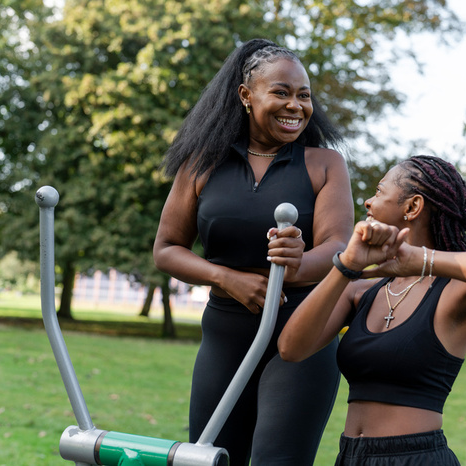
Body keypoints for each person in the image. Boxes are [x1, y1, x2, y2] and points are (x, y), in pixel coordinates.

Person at [153, 38, 354, 465]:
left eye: (304, 95)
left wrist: (297, 262)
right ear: (246, 96)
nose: (295, 105)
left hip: (301, 334)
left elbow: (339, 248)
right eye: (281, 92)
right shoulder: (201, 164)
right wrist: (226, 278)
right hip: (224, 335)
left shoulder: (325, 165)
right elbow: (167, 249)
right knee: (210, 457)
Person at [278, 155, 466, 465]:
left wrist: (424, 259)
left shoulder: (456, 292)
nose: (368, 202)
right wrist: (346, 266)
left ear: (412, 207)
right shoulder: (361, 289)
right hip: (350, 457)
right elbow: (291, 348)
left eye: (380, 192)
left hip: (417, 458)